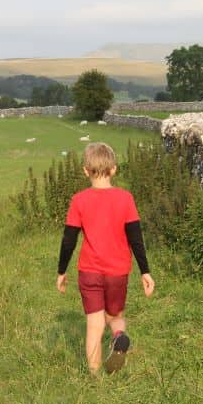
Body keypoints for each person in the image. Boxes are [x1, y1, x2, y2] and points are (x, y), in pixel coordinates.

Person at [56, 142, 155, 375]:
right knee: (116, 316)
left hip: (89, 271)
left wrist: (62, 271)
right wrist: (145, 271)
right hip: (117, 272)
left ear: (85, 170)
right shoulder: (125, 198)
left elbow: (68, 239)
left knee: (94, 324)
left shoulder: (79, 200)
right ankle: (119, 336)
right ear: (113, 170)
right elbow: (136, 238)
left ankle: (94, 379)